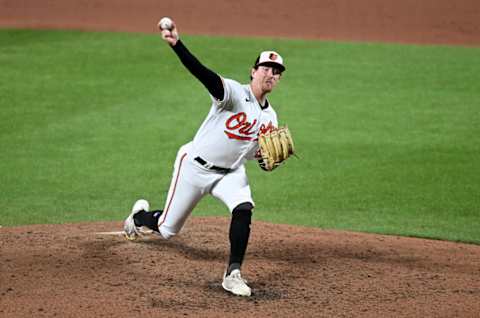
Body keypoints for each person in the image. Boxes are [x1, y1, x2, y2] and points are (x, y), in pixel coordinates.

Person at [123, 18, 286, 297]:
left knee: (244, 207)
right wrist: (178, 45)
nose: (271, 73)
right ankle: (138, 219)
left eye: (277, 71)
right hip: (195, 167)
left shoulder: (271, 117)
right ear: (253, 71)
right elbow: (203, 74)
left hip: (230, 173)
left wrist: (265, 161)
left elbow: (255, 155)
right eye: (266, 68)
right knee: (167, 229)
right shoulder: (234, 93)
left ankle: (233, 274)